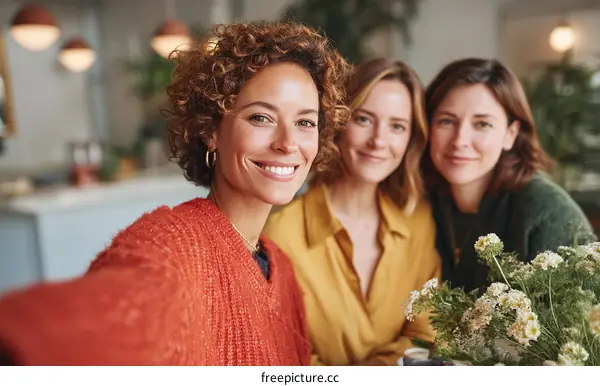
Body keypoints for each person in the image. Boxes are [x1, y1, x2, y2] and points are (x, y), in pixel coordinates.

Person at [0, 21, 351, 365]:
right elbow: (107, 312)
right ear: (211, 130)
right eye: (261, 118)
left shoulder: (282, 270)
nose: (288, 143)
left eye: (305, 122)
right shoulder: (174, 244)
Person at [265, 58, 441, 366]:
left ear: (410, 139)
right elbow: (283, 354)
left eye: (397, 126)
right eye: (364, 119)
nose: (379, 141)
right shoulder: (280, 234)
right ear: (339, 123)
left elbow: (424, 335)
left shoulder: (419, 222)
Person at [421, 58, 597, 292]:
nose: (459, 141)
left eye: (482, 124)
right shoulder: (423, 203)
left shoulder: (546, 211)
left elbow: (583, 319)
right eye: (446, 121)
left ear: (510, 134)